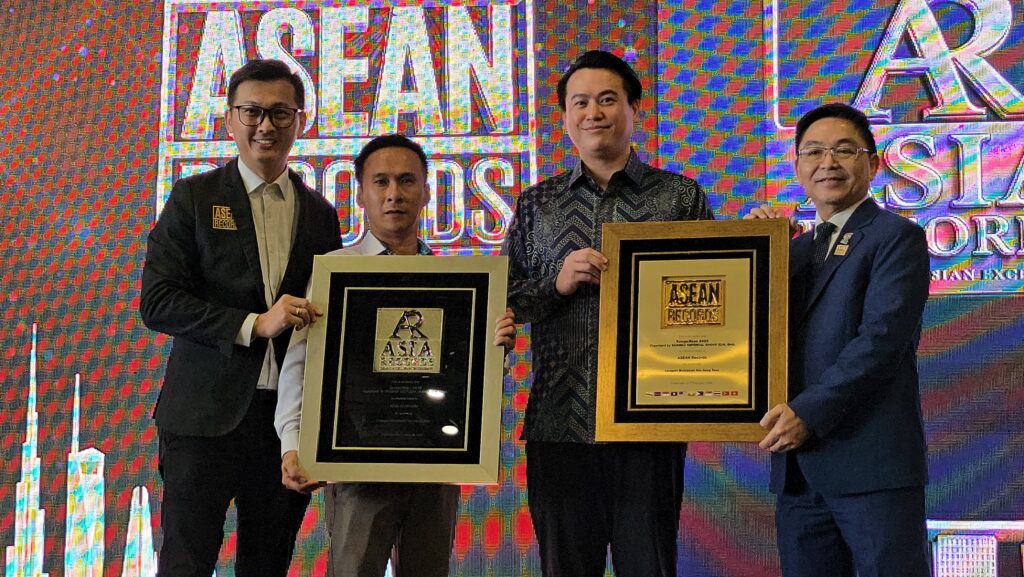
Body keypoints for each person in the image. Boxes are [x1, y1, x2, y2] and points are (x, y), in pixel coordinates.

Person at [501, 50, 714, 577]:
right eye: (580, 103)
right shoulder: (536, 203)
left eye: (607, 99)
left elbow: (712, 303)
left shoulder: (680, 197)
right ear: (564, 117)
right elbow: (505, 300)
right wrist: (557, 283)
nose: (593, 112)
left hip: (651, 424)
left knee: (651, 566)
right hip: (559, 424)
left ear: (634, 108)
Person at [274, 133, 517, 577]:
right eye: (380, 181)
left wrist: (493, 348)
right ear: (360, 194)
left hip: (435, 463)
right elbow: (300, 367)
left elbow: (464, 377)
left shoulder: (459, 283)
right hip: (355, 464)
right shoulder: (335, 272)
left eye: (407, 181)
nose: (394, 194)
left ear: (427, 192)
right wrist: (293, 444)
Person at [139, 59, 342, 576]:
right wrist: (253, 324)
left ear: (301, 121)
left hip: (284, 425)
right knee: (185, 564)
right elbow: (158, 300)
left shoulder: (321, 215)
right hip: (202, 418)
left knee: (268, 564)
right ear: (230, 119)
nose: (265, 125)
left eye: (280, 113)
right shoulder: (194, 197)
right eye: (252, 112)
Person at [747, 102, 931, 577]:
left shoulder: (897, 238)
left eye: (844, 150)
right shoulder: (794, 249)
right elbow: (754, 333)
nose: (827, 163)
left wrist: (808, 414)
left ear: (873, 164)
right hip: (797, 472)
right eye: (813, 152)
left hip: (872, 468)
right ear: (797, 167)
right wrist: (759, 251)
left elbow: (881, 342)